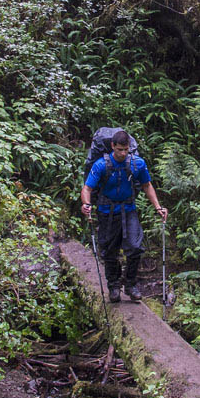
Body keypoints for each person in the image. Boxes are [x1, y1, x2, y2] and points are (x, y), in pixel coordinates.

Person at [81, 129, 168, 303]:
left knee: (135, 247)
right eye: (119, 149)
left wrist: (158, 207)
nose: (122, 153)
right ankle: (113, 286)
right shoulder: (100, 165)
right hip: (106, 212)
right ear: (112, 146)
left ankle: (130, 285)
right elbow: (87, 188)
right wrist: (86, 204)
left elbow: (147, 185)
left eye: (126, 149)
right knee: (109, 251)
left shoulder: (137, 164)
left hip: (129, 210)